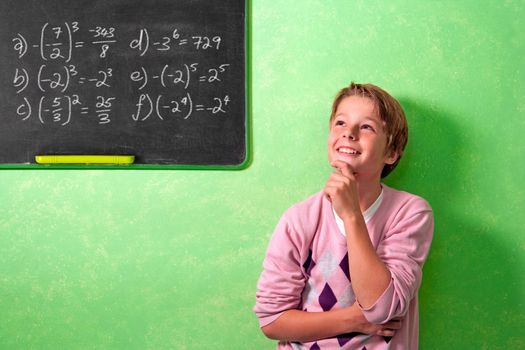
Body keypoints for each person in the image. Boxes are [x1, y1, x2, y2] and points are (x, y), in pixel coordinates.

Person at [253, 83, 434, 349]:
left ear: (391, 153)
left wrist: (351, 215)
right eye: (340, 123)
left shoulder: (410, 213)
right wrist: (355, 319)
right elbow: (272, 321)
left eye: (366, 127)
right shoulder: (299, 218)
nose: (348, 133)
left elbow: (381, 308)